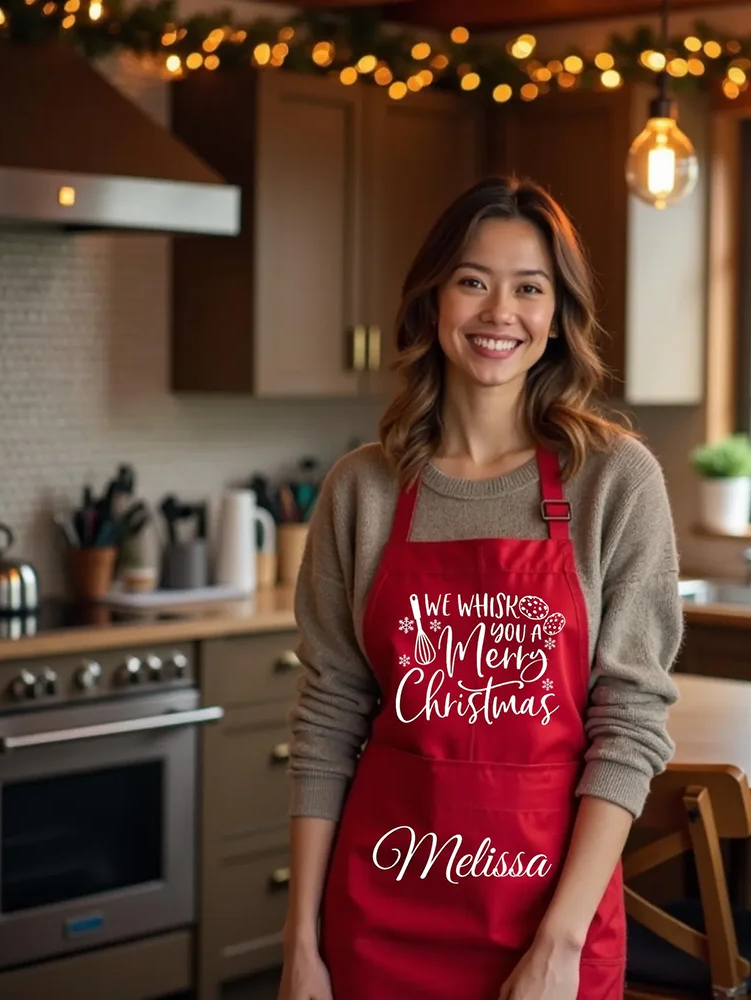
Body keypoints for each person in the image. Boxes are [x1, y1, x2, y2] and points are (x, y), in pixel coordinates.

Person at [278, 174, 683, 1000]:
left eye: (529, 288)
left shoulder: (614, 478)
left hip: (548, 924)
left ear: (557, 317)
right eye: (474, 281)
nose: (501, 313)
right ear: (433, 301)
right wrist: (300, 943)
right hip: (380, 912)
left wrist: (559, 945)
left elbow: (631, 726)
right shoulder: (364, 490)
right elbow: (327, 720)